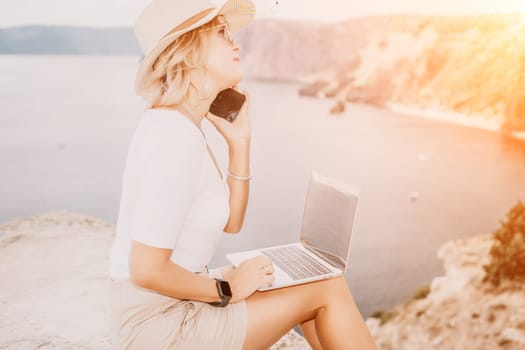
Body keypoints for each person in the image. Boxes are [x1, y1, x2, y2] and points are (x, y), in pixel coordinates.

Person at [108, 0, 378, 349]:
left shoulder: (184, 128)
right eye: (221, 33)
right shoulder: (172, 137)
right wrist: (228, 288)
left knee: (312, 279)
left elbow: (232, 222)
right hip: (159, 326)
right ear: (187, 51)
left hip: (176, 300)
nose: (236, 43)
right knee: (326, 286)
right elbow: (145, 270)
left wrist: (240, 143)